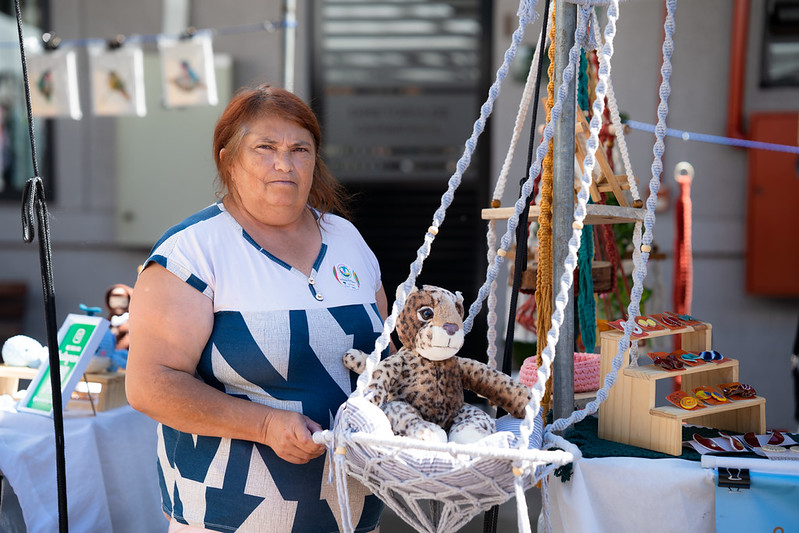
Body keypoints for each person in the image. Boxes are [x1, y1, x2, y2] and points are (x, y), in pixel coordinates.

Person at [126, 84, 388, 533]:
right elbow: (149, 385)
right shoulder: (191, 252)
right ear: (228, 159)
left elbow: (385, 360)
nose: (284, 163)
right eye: (265, 147)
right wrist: (265, 424)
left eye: (299, 149)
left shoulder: (348, 239)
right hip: (228, 519)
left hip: (352, 512)